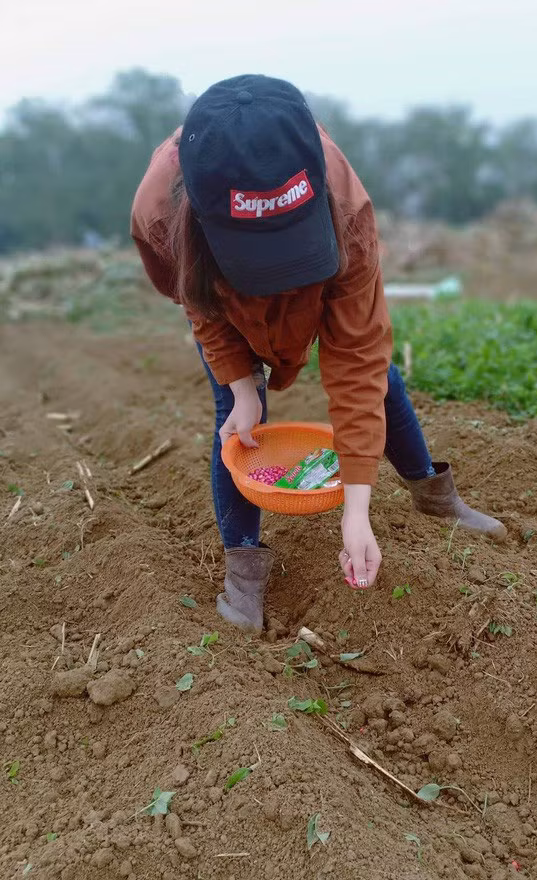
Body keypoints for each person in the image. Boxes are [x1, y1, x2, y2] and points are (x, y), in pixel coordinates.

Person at [131, 74, 507, 632]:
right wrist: (240, 385)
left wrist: (356, 512)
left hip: (318, 295)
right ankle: (244, 568)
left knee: (380, 379)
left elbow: (356, 357)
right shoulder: (159, 214)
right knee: (237, 421)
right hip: (231, 313)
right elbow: (199, 306)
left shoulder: (345, 207)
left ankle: (431, 493)